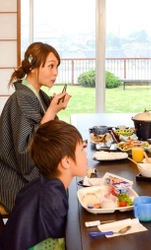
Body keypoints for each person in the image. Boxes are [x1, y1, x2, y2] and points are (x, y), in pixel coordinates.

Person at [0, 42, 71, 213]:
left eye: (57, 67)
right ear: (33, 68)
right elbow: (26, 151)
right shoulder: (21, 98)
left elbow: (49, 132)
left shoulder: (39, 95)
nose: (55, 72)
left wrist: (53, 110)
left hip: (28, 176)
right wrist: (52, 111)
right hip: (17, 181)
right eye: (51, 66)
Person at [0, 120, 87, 250]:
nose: (86, 155)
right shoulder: (51, 200)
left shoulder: (42, 185)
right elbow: (64, 244)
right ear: (66, 161)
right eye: (81, 150)